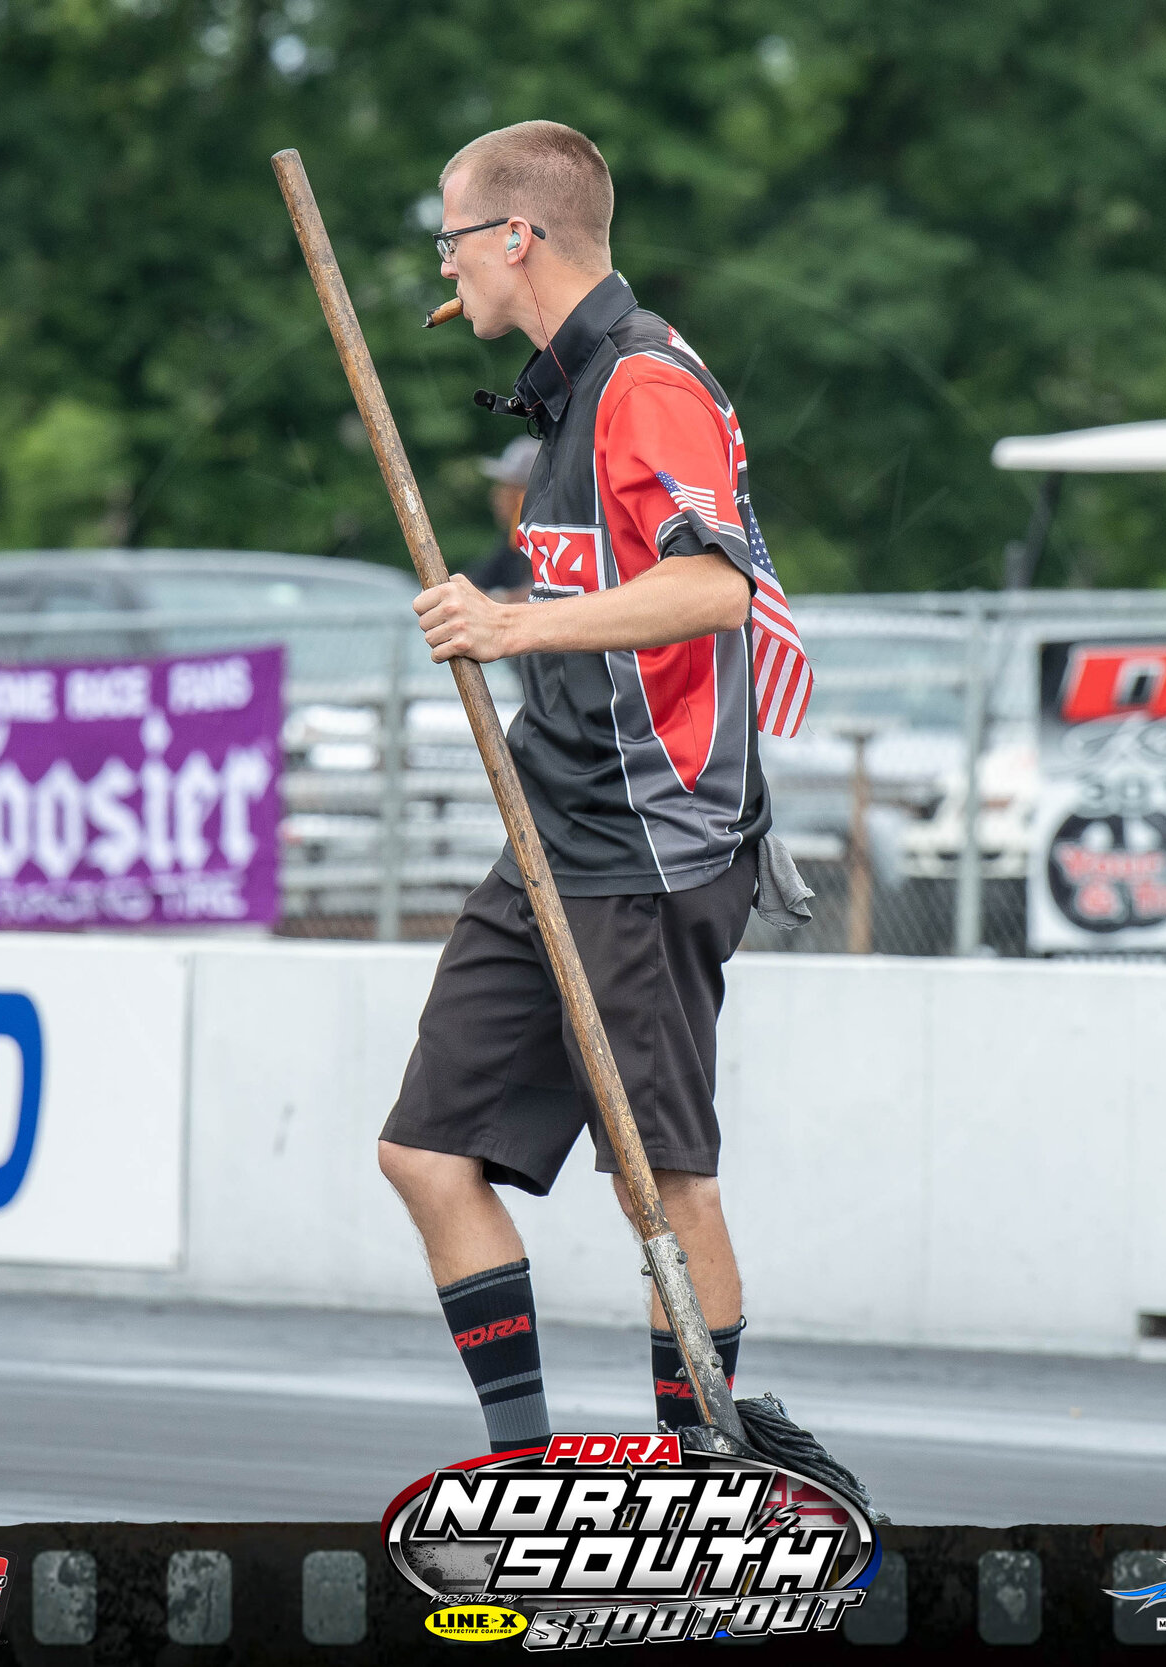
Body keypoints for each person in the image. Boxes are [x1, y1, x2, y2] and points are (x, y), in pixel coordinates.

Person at [378, 120, 811, 1454]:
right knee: (426, 1153)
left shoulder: (644, 380)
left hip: (651, 840)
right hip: (550, 828)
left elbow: (715, 587)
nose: (443, 264)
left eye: (452, 235)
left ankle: (706, 1474)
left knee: (662, 1184)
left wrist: (510, 623)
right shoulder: (564, 388)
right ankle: (524, 1473)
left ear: (517, 235)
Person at [459, 437, 540, 600]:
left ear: (527, 493)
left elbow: (547, 594)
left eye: (507, 487)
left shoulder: (545, 539)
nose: (496, 496)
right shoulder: (512, 540)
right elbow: (476, 580)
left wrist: (498, 599)